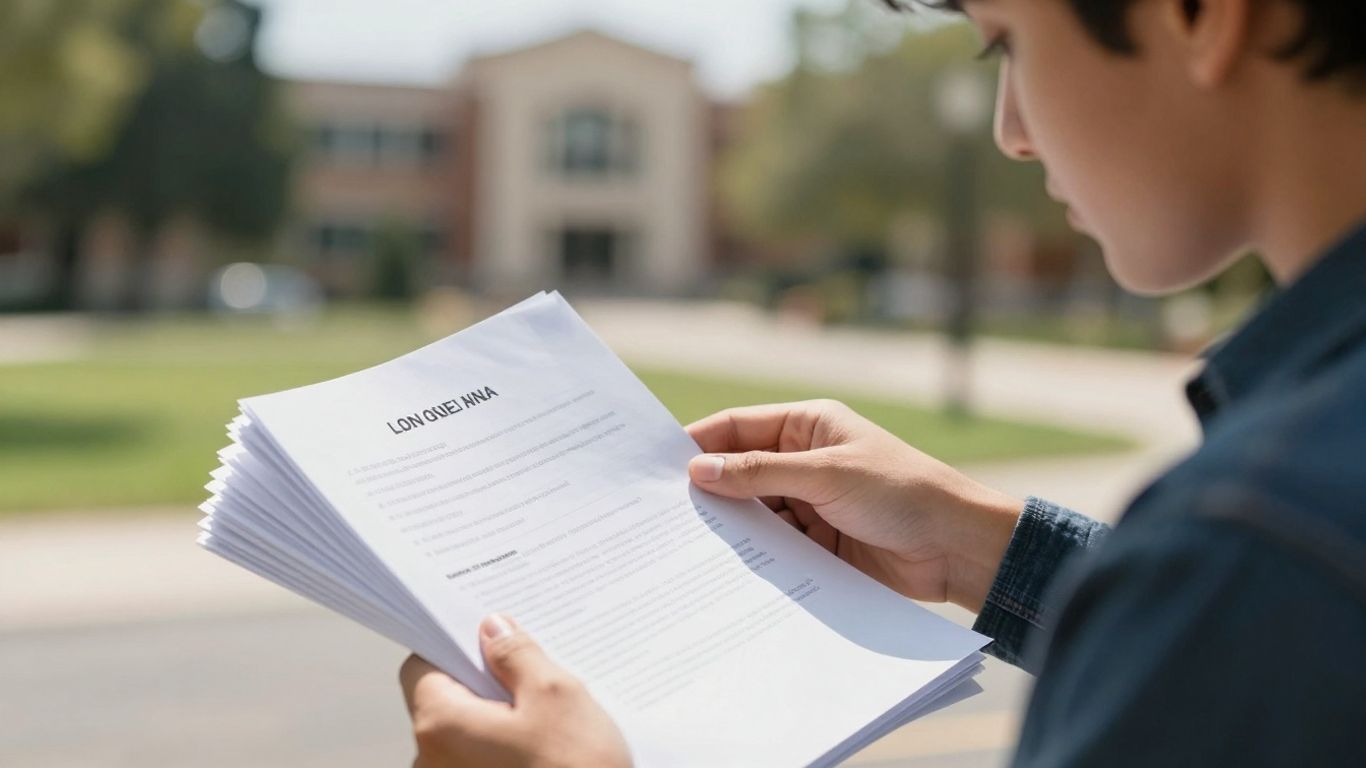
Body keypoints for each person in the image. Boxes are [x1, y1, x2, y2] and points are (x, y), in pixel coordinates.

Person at [399, 0, 1366, 764]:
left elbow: (1259, 609)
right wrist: (978, 548)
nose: (1011, 133)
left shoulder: (1252, 549)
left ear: (1200, 12)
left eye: (1006, 47)